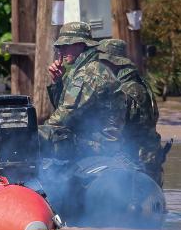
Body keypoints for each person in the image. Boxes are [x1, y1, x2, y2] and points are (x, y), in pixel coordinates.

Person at [39, 22, 126, 160]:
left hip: (101, 146)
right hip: (92, 140)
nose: (61, 51)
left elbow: (64, 116)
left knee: (41, 142)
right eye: (60, 47)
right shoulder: (83, 69)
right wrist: (58, 82)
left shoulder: (89, 73)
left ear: (81, 45)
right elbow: (63, 108)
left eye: (66, 45)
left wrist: (34, 134)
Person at [97, 38, 166, 185]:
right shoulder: (136, 83)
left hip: (138, 165)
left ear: (113, 63)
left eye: (103, 63)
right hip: (148, 161)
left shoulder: (126, 90)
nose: (100, 67)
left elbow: (114, 130)